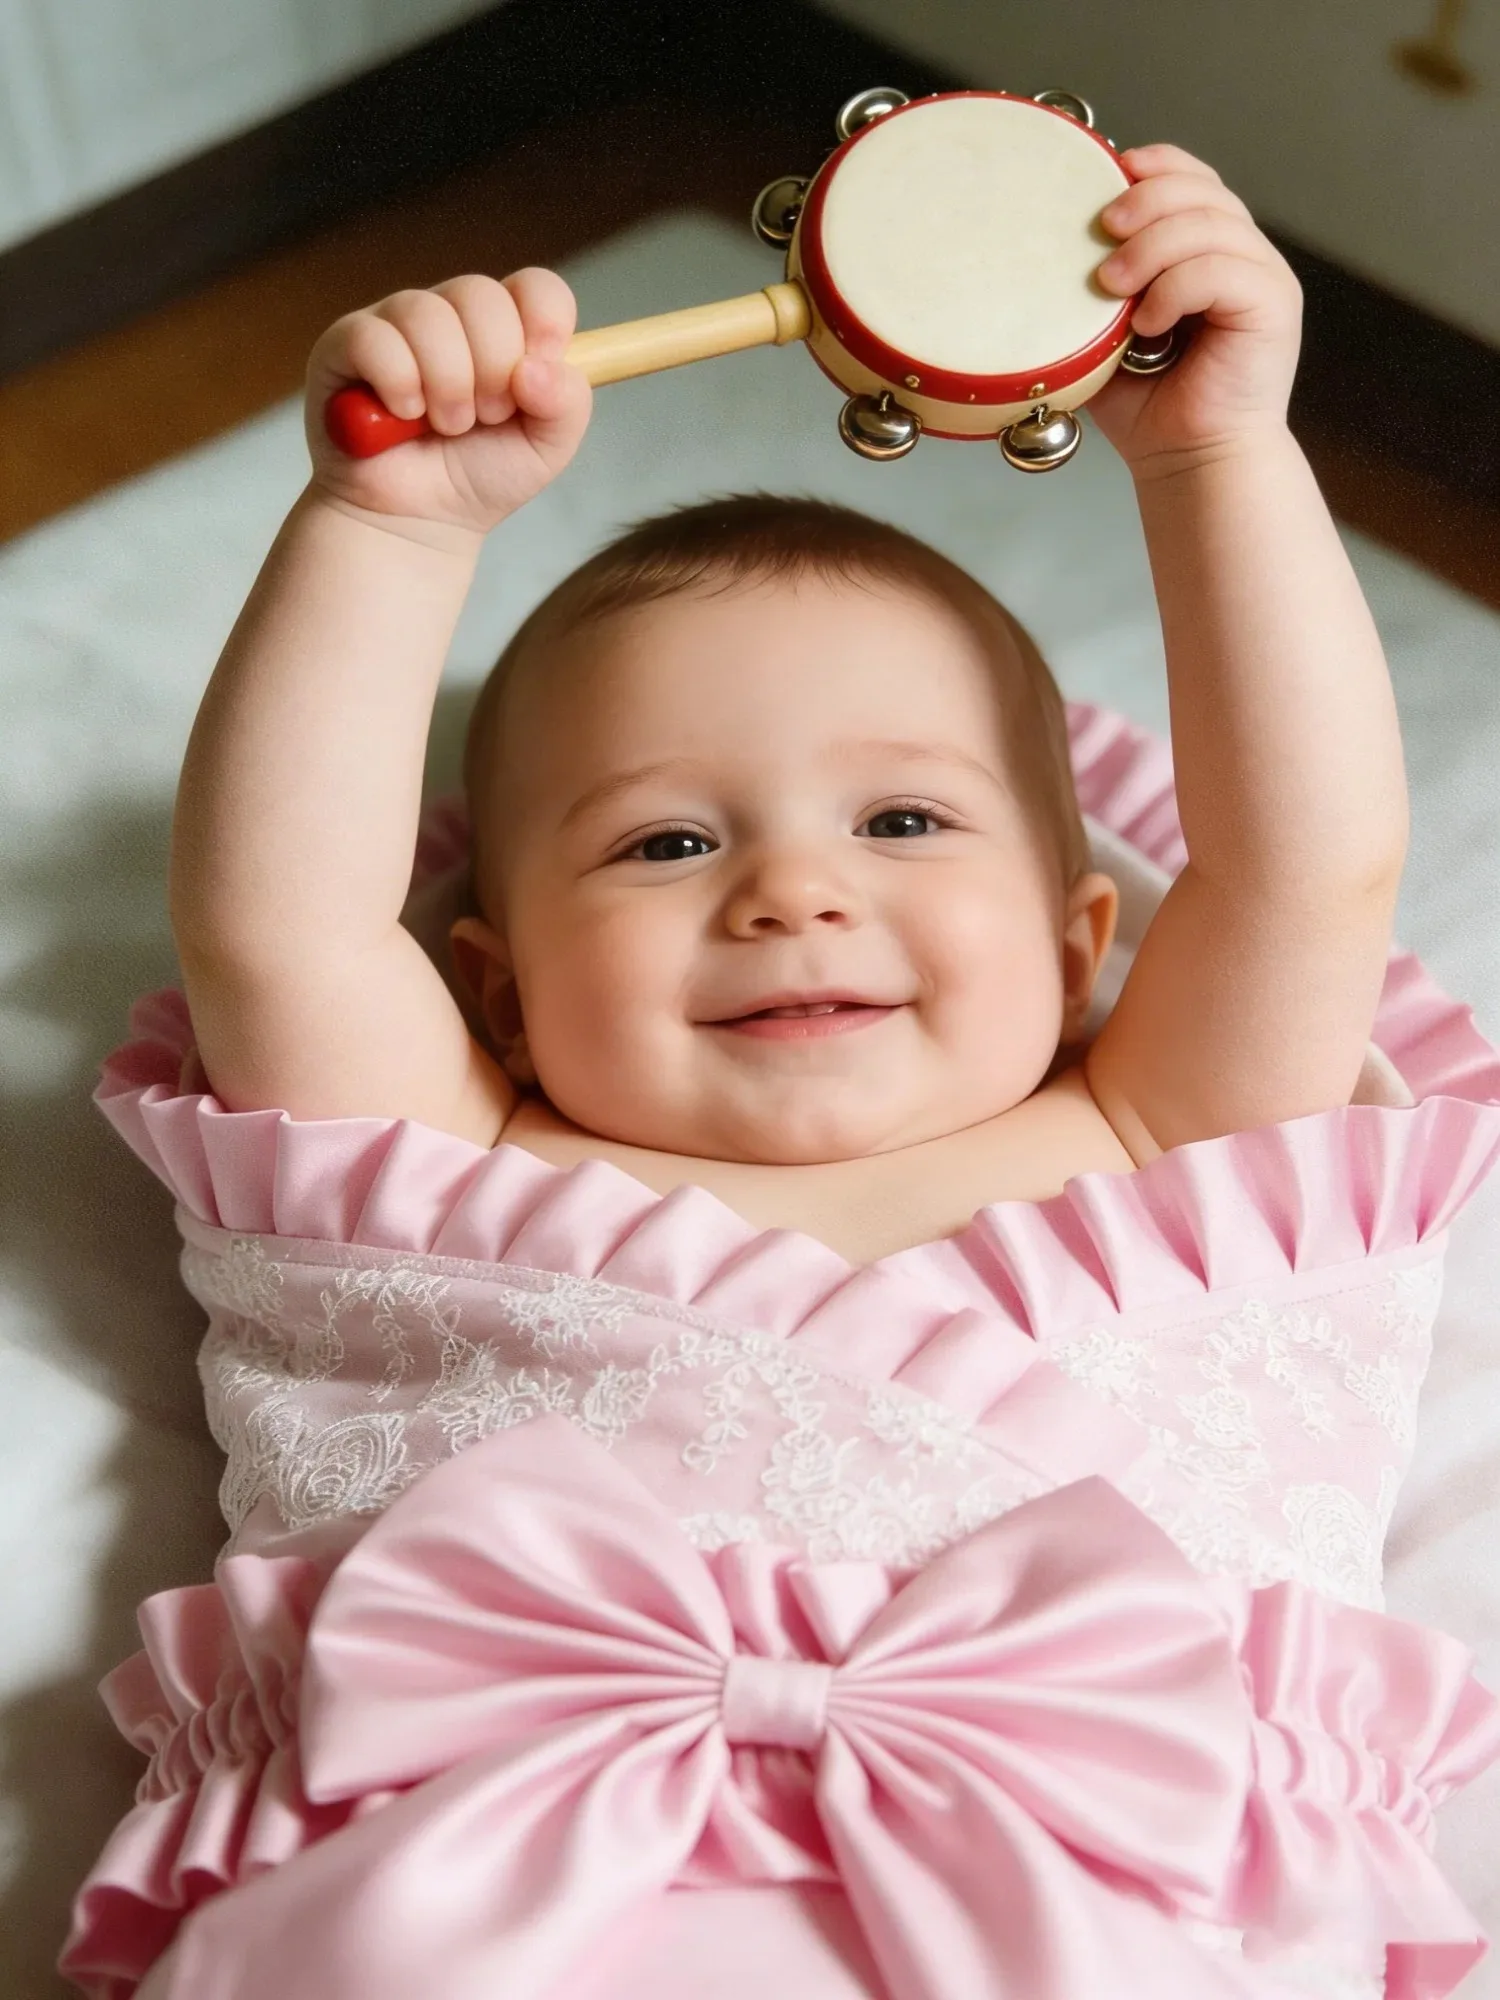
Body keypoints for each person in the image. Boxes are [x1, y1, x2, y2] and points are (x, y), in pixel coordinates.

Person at [61, 144, 1500, 2000]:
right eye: (662, 846)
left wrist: (1217, 459)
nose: (793, 892)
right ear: (492, 990)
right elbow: (280, 931)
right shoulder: (445, 1174)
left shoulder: (1164, 1137)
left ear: (1082, 948)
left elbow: (1309, 864)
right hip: (476, 1895)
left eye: (904, 818)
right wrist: (389, 531)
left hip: (1108, 1905)